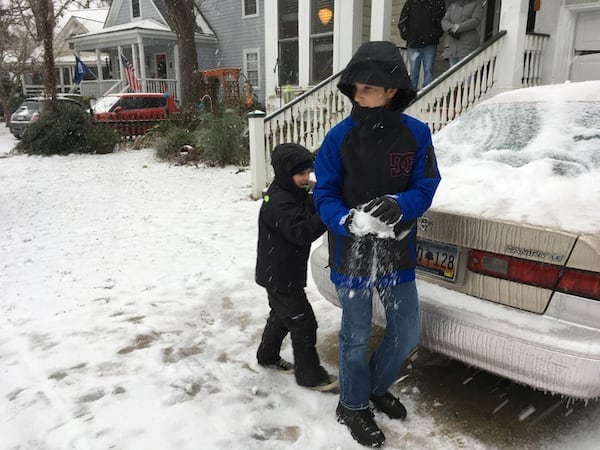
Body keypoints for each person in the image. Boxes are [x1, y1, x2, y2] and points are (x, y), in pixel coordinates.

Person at [313, 41, 441, 447]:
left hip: (397, 252)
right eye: (354, 87)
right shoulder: (339, 138)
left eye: (367, 88)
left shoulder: (417, 135)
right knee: (354, 334)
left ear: (391, 90)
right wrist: (345, 219)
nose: (357, 94)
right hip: (351, 253)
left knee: (406, 333)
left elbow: (426, 185)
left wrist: (401, 204)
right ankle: (352, 405)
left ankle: (374, 385)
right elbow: (324, 195)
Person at [255, 142, 338, 392]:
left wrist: (322, 196)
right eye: (300, 174)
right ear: (284, 172)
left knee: (282, 316)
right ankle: (309, 375)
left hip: (279, 272)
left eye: (308, 173)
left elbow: (305, 204)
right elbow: (302, 232)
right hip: (281, 276)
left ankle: (267, 355)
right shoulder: (279, 202)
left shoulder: (288, 192)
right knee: (303, 323)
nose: (306, 178)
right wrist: (328, 212)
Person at [398, 0, 446, 90]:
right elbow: (402, 21)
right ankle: (412, 96)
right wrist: (407, 36)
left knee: (428, 71)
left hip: (430, 42)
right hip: (414, 43)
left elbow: (442, 21)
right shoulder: (411, 3)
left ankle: (426, 95)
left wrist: (436, 34)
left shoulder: (437, 3)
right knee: (413, 72)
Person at [441, 0, 484, 67]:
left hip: (466, 46)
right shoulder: (452, 6)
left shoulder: (476, 5)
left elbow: (476, 20)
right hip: (451, 46)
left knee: (466, 75)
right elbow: (444, 21)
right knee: (454, 75)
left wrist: (458, 28)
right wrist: (451, 28)